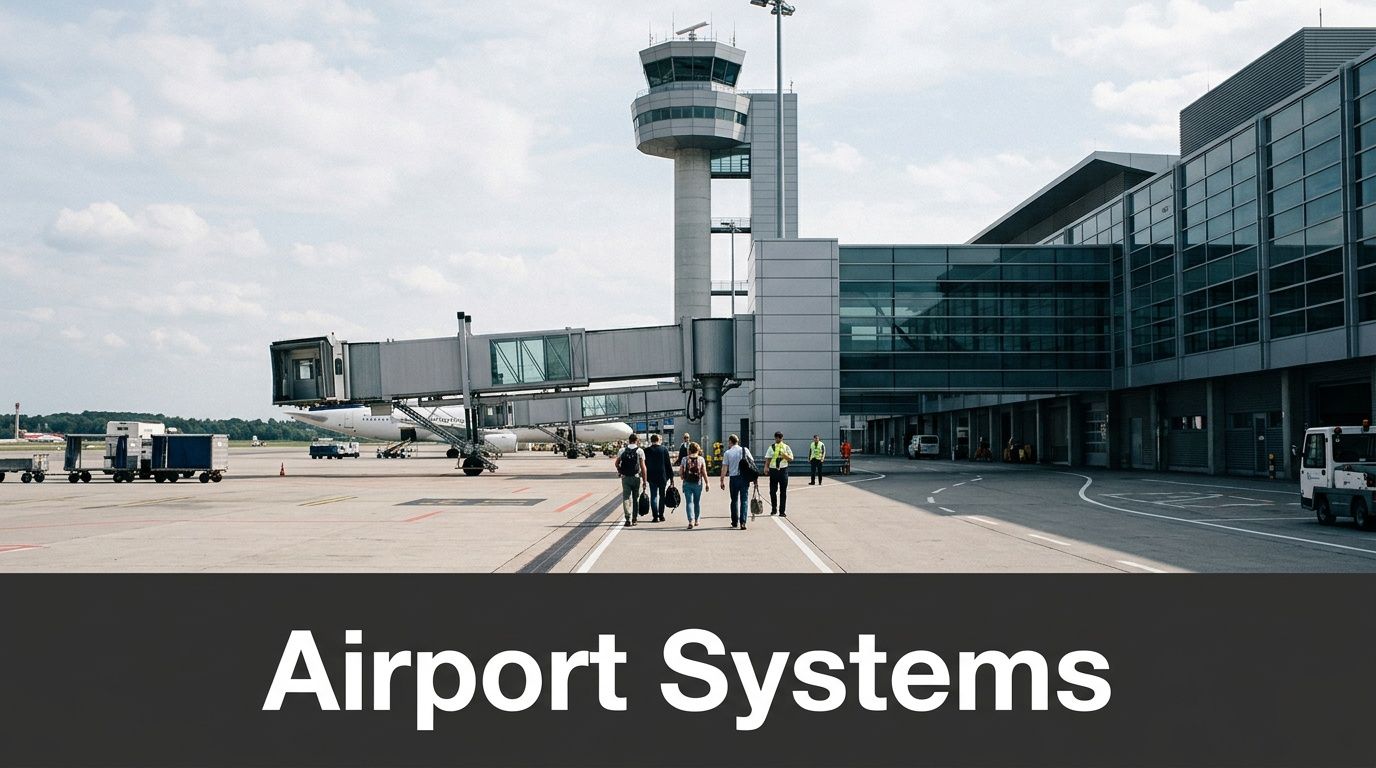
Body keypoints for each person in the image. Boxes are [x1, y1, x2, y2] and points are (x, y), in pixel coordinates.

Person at [719, 434, 757, 530]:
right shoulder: (745, 450)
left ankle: (734, 521)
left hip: (733, 478)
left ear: (730, 441)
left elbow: (724, 467)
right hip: (744, 478)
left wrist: (722, 479)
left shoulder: (728, 453)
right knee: (744, 500)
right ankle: (743, 522)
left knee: (734, 500)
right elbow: (752, 464)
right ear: (737, 441)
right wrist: (755, 479)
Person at [612, 434, 646, 528]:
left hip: (625, 477)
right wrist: (644, 480)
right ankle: (634, 519)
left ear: (629, 440)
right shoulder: (640, 451)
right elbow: (643, 467)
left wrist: (620, 471)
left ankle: (627, 518)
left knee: (626, 498)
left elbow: (616, 463)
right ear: (637, 440)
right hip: (636, 477)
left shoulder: (622, 450)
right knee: (636, 498)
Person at [643, 434, 673, 523]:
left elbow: (644, 464)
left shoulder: (647, 450)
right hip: (662, 476)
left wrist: (645, 478)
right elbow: (668, 464)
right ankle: (661, 515)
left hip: (651, 476)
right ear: (659, 440)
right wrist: (671, 477)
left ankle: (655, 516)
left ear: (651, 440)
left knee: (654, 496)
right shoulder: (664, 449)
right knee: (662, 496)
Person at [764, 431, 794, 517]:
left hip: (783, 470)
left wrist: (784, 455)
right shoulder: (771, 447)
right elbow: (768, 458)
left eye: (779, 438)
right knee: (772, 491)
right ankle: (774, 508)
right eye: (776, 438)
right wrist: (766, 467)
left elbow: (791, 458)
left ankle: (782, 511)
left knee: (783, 492)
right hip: (773, 470)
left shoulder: (786, 447)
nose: (777, 439)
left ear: (782, 438)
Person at [681, 442, 707, 529]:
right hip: (698, 483)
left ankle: (690, 521)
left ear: (689, 450)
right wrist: (707, 483)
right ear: (698, 450)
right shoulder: (701, 459)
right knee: (697, 502)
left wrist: (682, 477)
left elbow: (681, 471)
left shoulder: (684, 459)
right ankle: (696, 520)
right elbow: (704, 472)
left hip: (687, 483)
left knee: (689, 502)